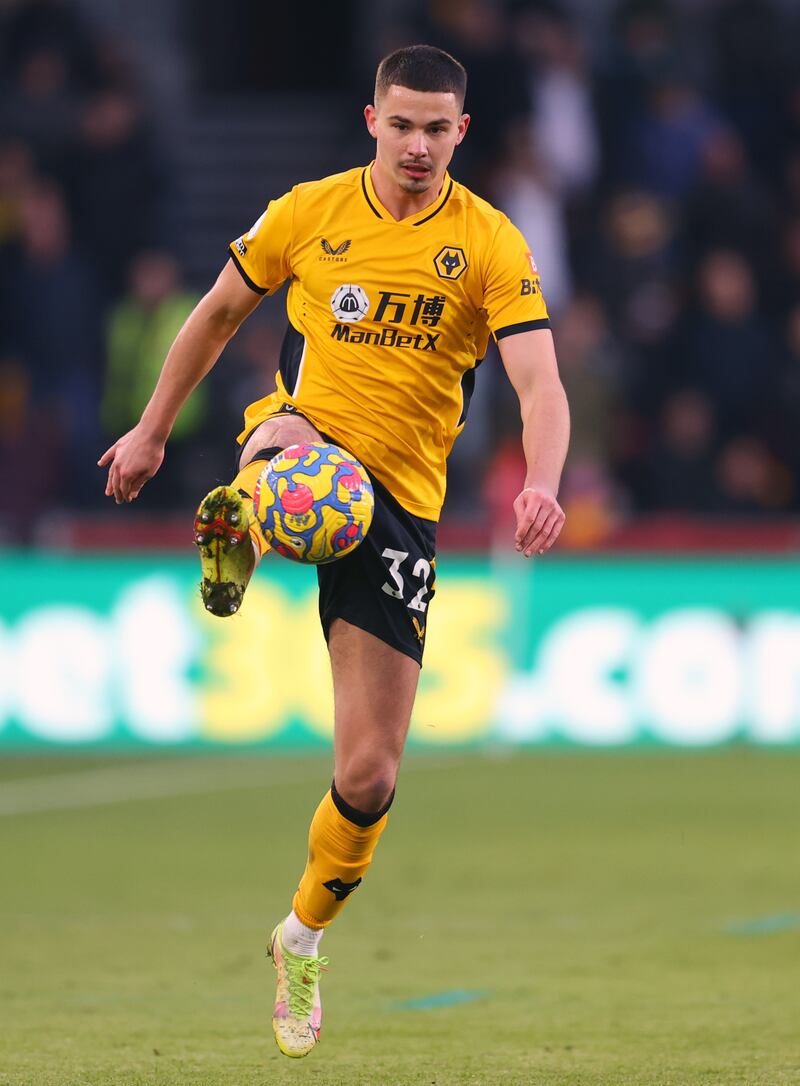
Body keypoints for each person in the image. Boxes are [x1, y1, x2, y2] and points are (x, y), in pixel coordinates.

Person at [99, 45, 570, 1060]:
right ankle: (251, 518)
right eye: (400, 125)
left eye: (434, 129)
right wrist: (147, 431)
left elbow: (538, 383)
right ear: (370, 121)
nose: (415, 145)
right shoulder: (308, 212)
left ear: (460, 134)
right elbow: (219, 315)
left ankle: (300, 934)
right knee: (310, 471)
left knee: (369, 774)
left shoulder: (488, 243)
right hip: (303, 435)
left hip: (404, 506)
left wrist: (540, 479)